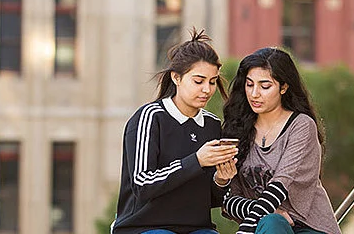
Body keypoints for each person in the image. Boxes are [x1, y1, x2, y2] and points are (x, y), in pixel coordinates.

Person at [111, 28, 239, 234]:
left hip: (197, 228)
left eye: (212, 82)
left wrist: (221, 181)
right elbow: (142, 184)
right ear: (176, 78)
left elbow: (211, 199)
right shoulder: (150, 117)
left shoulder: (212, 125)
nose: (207, 89)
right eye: (198, 81)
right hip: (144, 227)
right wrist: (196, 160)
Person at [221, 47, 341, 234]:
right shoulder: (237, 129)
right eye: (249, 84)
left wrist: (245, 229)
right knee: (272, 221)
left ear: (284, 87)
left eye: (265, 86)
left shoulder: (301, 125)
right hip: (268, 226)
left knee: (271, 221)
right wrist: (265, 211)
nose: (254, 94)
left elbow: (280, 184)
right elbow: (228, 201)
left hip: (310, 227)